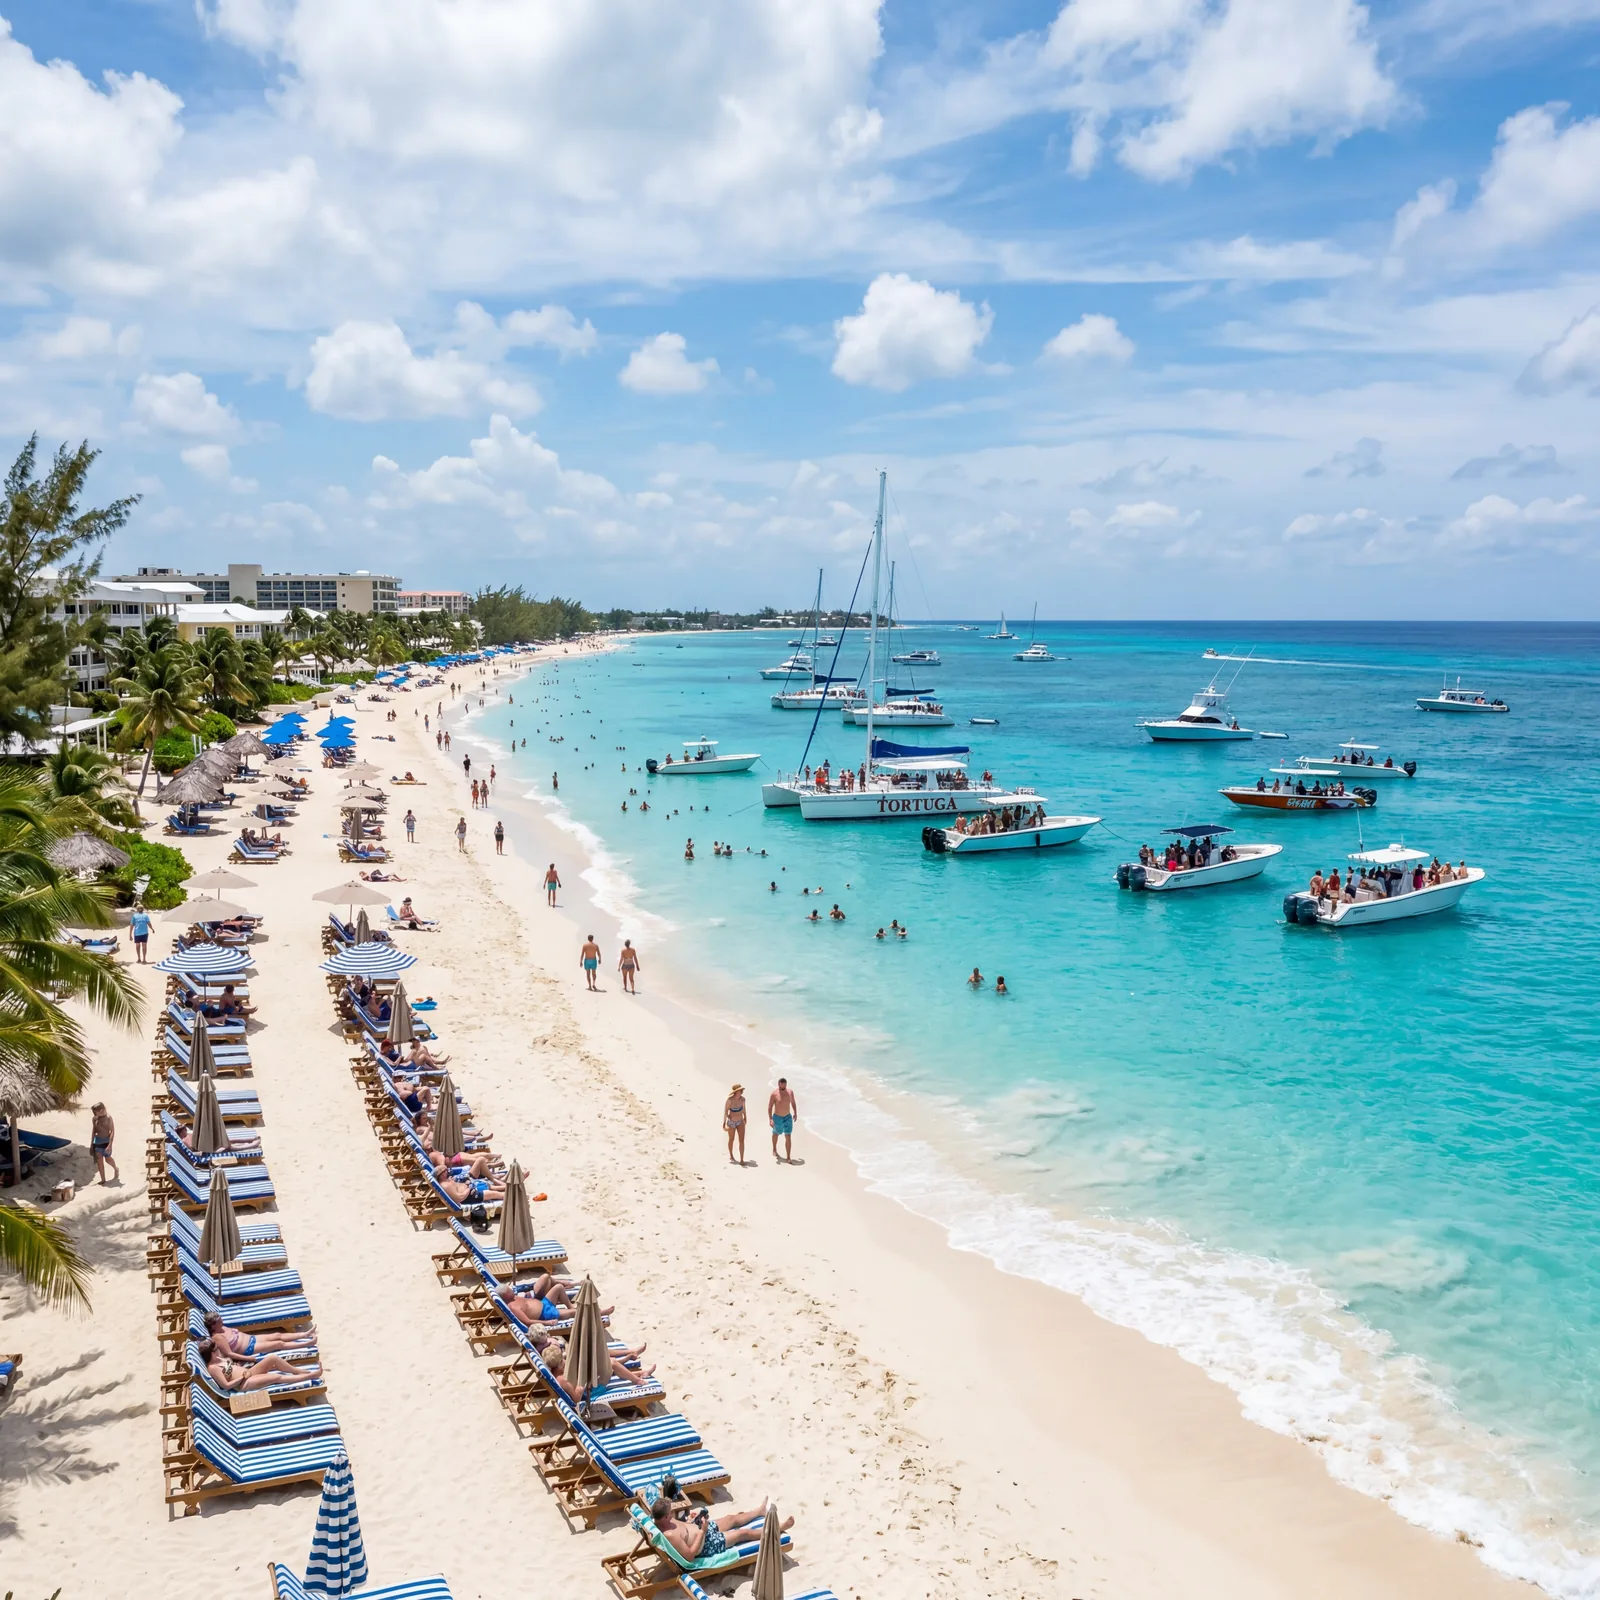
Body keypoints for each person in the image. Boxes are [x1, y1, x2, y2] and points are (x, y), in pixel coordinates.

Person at [649, 1497, 792, 1562]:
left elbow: (683, 1528)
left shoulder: (662, 1520)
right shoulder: (669, 1535)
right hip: (706, 1544)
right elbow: (690, 1555)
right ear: (666, 1516)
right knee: (742, 1533)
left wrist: (691, 1520)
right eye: (672, 1512)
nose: (674, 1513)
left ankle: (759, 1512)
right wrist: (702, 1532)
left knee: (731, 1518)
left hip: (701, 1529)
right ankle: (777, 1528)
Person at [199, 1339, 322, 1392]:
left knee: (272, 1358)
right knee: (275, 1377)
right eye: (216, 1349)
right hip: (243, 1383)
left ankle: (299, 1372)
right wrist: (242, 1377)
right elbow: (226, 1386)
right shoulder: (213, 1368)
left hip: (248, 1372)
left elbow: (233, 1365)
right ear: (211, 1353)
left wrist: (242, 1368)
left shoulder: (219, 1358)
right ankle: (310, 1376)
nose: (218, 1349)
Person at [204, 1311, 315, 1355]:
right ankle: (305, 1344)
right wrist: (249, 1359)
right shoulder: (217, 1337)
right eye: (219, 1321)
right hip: (249, 1348)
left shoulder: (221, 1327)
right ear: (213, 1325)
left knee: (277, 1335)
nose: (222, 1322)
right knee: (278, 1344)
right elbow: (229, 1354)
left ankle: (305, 1334)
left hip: (252, 1338)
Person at [769, 1078, 797, 1163]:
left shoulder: (790, 1092)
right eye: (781, 1085)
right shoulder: (774, 1094)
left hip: (787, 1117)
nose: (783, 1087)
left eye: (784, 1085)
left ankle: (788, 1157)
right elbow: (770, 1107)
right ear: (778, 1084)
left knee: (788, 1136)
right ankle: (774, 1148)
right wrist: (770, 1119)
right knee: (776, 1133)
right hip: (777, 1117)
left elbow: (793, 1102)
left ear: (786, 1085)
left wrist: (795, 1112)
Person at [89, 1102, 118, 1184]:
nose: (101, 1112)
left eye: (102, 1109)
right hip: (97, 1142)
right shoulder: (94, 1119)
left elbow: (112, 1131)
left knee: (108, 1159)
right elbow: (94, 1131)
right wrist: (91, 1145)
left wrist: (110, 1145)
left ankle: (116, 1168)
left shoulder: (108, 1118)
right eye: (99, 1111)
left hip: (106, 1141)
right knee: (99, 1161)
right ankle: (103, 1179)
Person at [723, 1084, 747, 1164]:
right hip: (731, 1122)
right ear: (736, 1092)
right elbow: (726, 1111)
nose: (741, 1092)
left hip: (740, 1121)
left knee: (741, 1140)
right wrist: (724, 1122)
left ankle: (742, 1159)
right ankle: (731, 1155)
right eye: (740, 1091)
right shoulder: (730, 1100)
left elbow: (744, 1109)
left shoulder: (743, 1099)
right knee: (731, 1139)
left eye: (741, 1090)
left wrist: (745, 1117)